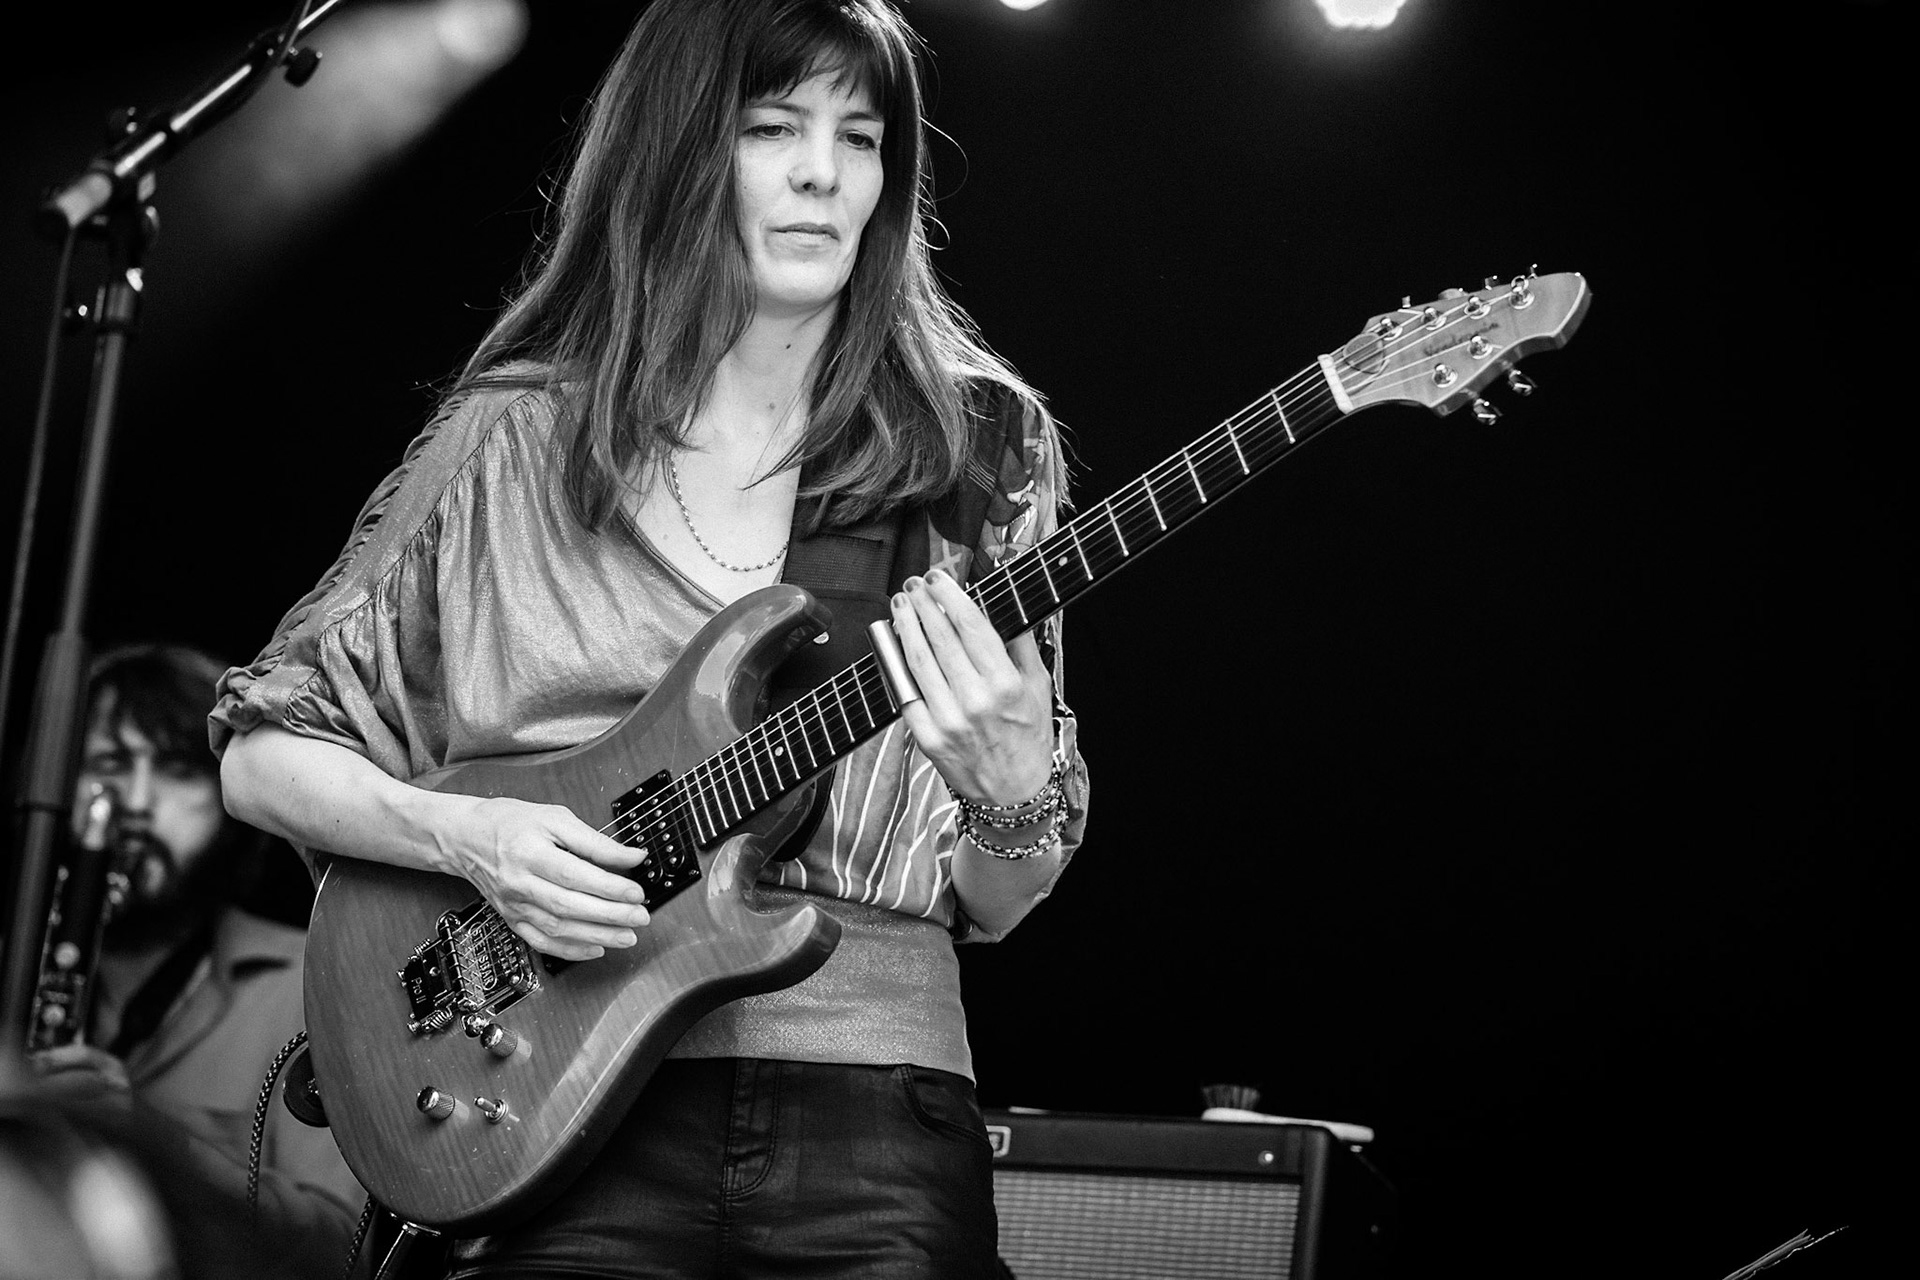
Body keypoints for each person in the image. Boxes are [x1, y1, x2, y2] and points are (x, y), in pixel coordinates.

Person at [212, 0, 1089, 1275]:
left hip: (876, 1116)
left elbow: (1000, 898)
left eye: (861, 136)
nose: (822, 173)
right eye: (773, 127)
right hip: (550, 1106)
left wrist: (1015, 797)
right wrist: (474, 836)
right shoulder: (514, 439)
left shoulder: (976, 451)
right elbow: (262, 748)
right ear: (679, 148)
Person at [24, 642, 368, 1279]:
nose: (135, 801)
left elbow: (346, 1246)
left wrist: (146, 1134)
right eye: (108, 763)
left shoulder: (315, 983)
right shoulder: (18, 971)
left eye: (178, 770)